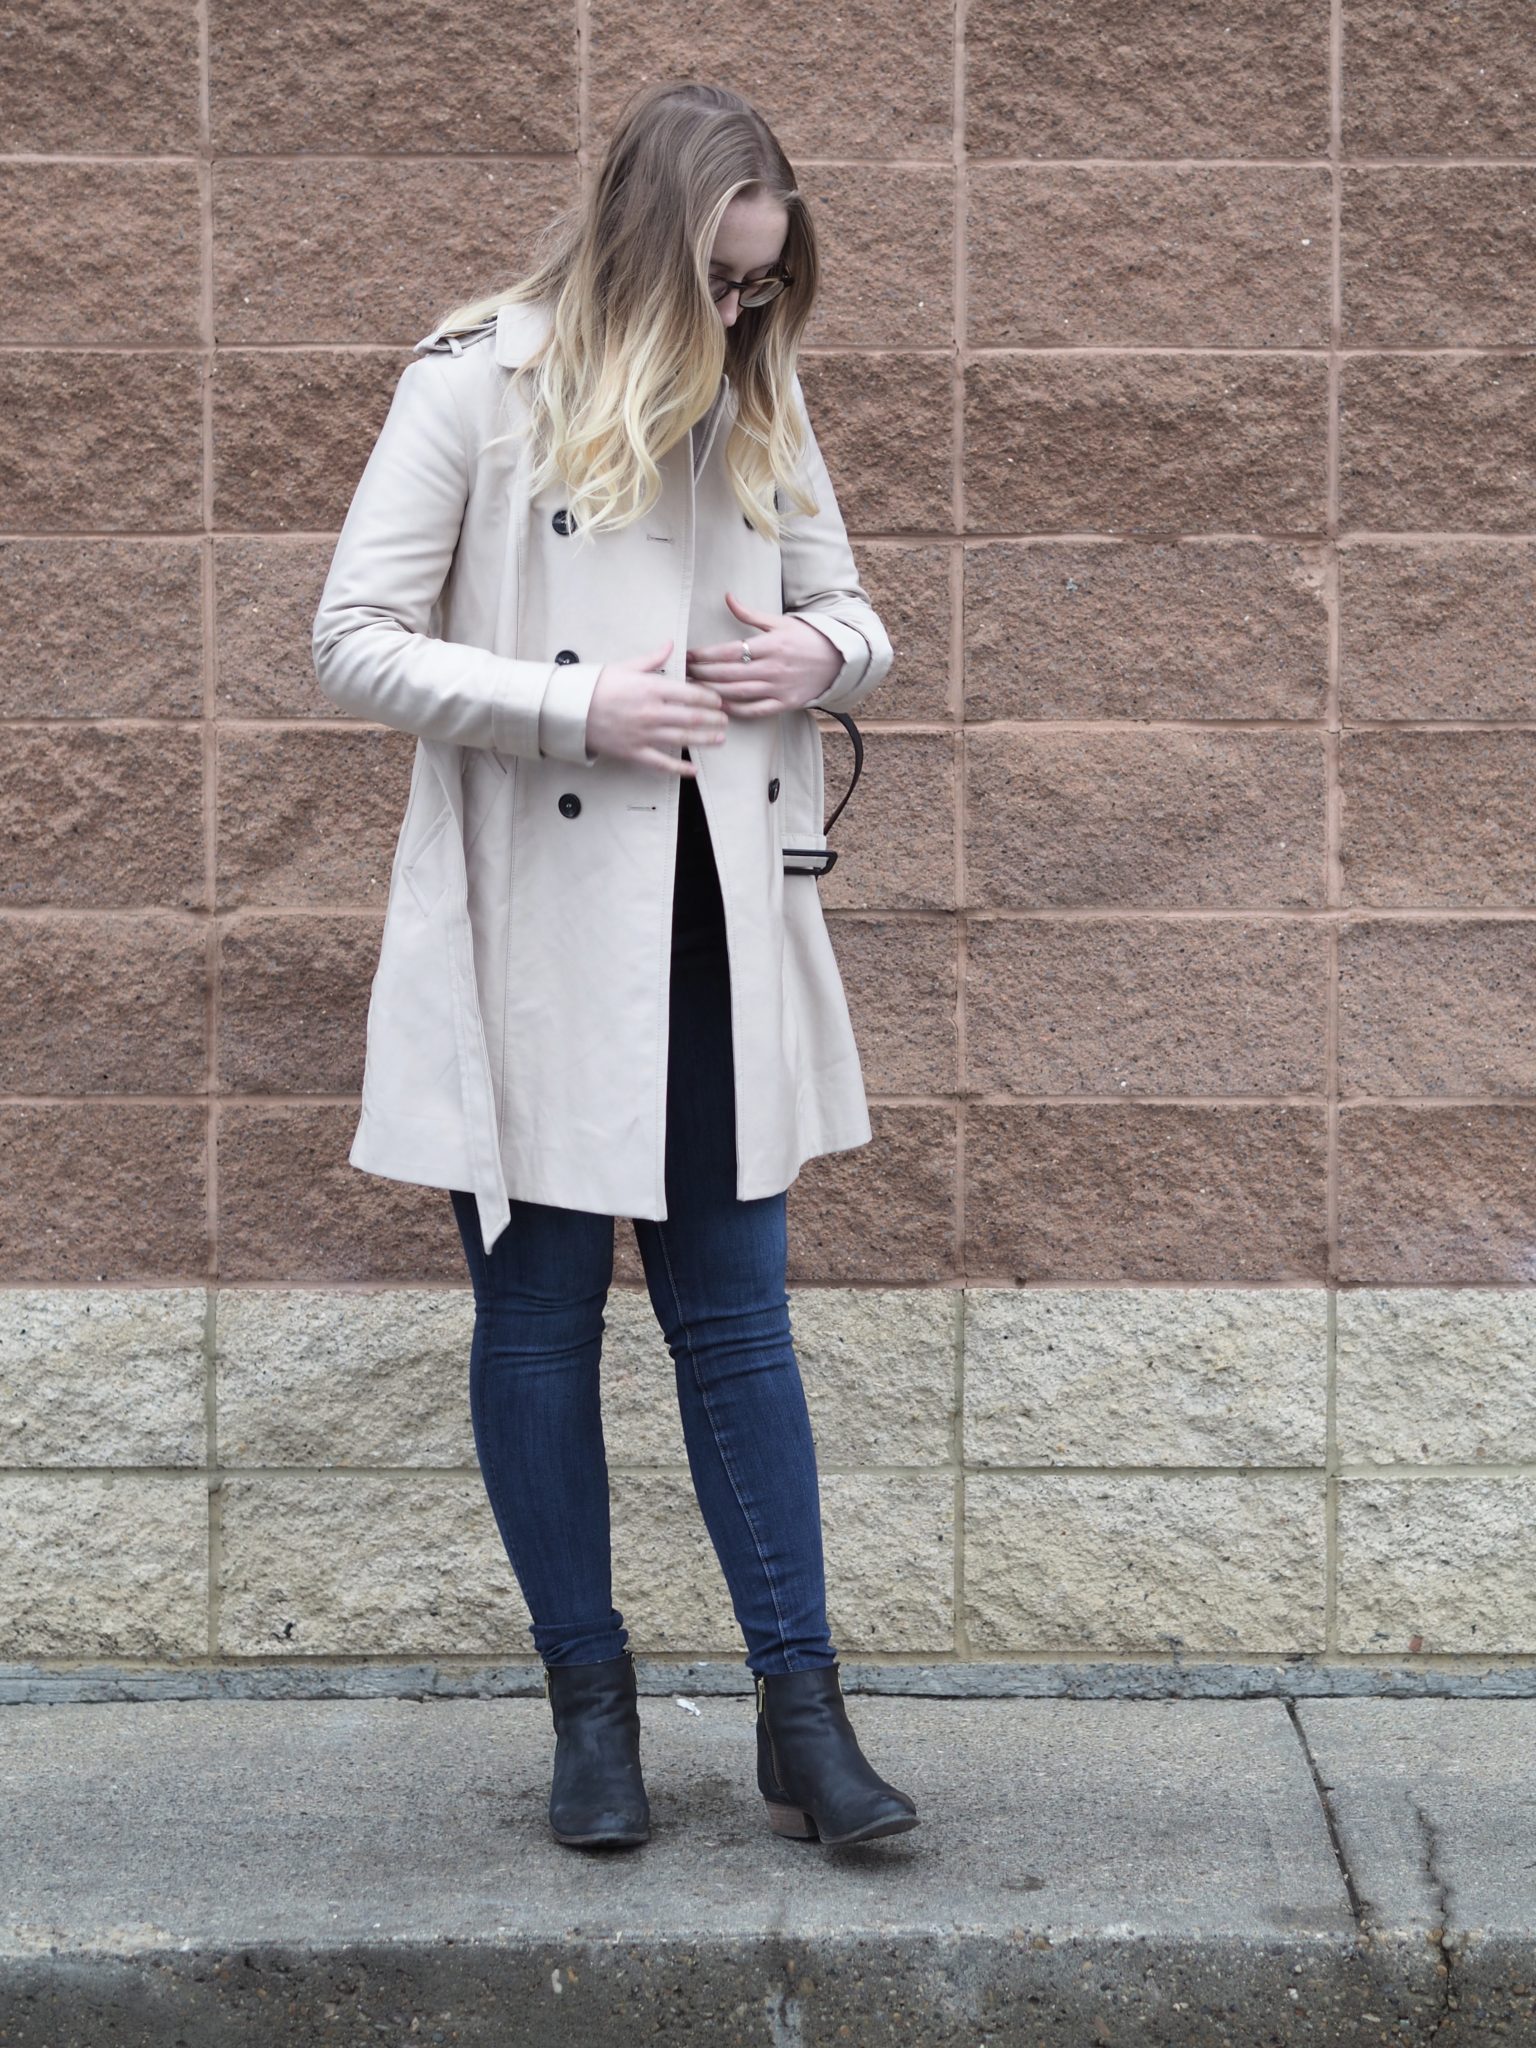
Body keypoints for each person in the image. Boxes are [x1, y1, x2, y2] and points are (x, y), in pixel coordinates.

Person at [311, 79, 917, 1852]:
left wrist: (816, 656)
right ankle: (595, 1716)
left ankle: (804, 1724)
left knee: (740, 1323)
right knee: (541, 1323)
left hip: (720, 915)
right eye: (723, 281)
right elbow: (350, 638)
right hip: (537, 940)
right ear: (651, 245)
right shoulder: (472, 383)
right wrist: (574, 703)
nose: (744, 314)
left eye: (765, 286)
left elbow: (859, 614)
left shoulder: (759, 387)